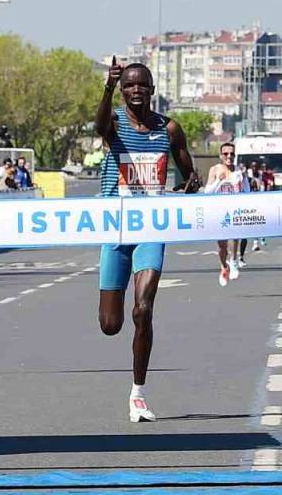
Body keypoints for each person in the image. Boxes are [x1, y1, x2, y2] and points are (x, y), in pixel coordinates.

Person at [95, 59, 199, 423]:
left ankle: (138, 393)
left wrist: (190, 184)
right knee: (110, 324)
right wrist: (106, 87)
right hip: (115, 228)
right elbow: (98, 124)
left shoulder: (169, 130)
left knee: (143, 309)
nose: (136, 90)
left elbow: (190, 175)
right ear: (122, 91)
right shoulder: (115, 125)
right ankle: (120, 321)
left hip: (152, 228)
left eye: (142, 85)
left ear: (152, 90)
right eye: (129, 85)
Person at [206, 142, 248, 286]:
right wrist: (219, 181)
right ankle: (224, 266)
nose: (229, 156)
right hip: (219, 210)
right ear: (221, 155)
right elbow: (207, 192)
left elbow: (247, 191)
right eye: (226, 154)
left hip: (235, 209)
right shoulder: (215, 170)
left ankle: (234, 260)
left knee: (235, 236)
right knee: (222, 245)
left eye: (232, 154)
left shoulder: (239, 171)